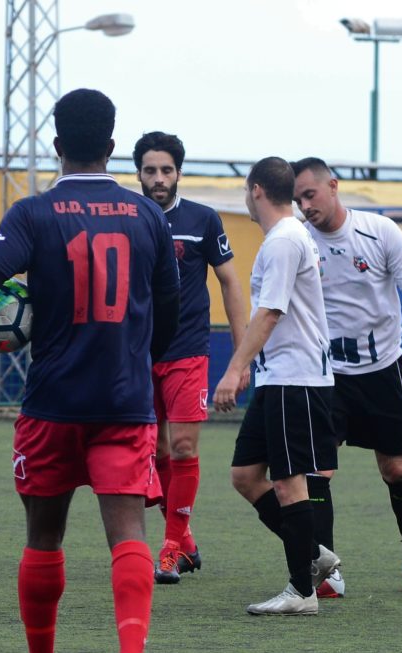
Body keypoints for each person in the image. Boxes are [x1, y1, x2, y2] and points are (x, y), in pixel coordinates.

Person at [0, 89, 180, 653]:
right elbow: (170, 313)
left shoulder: (33, 213)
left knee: (44, 536)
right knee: (128, 535)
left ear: (56, 145)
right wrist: (138, 360)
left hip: (51, 403)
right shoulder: (148, 215)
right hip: (124, 402)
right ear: (112, 146)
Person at [290, 157, 402, 597]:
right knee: (317, 471)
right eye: (298, 199)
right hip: (326, 374)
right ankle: (328, 570)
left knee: (396, 469)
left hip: (382, 370)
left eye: (310, 195)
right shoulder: (298, 240)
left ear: (333, 186)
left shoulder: (380, 231)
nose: (305, 206)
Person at [213, 157, 340, 616]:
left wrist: (234, 369)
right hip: (277, 379)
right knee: (245, 476)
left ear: (256, 191)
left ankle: (302, 592)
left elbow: (270, 313)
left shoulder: (285, 239)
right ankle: (313, 555)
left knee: (289, 484)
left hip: (295, 379)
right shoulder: (283, 238)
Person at [133, 131, 249, 585]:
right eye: (150, 171)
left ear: (178, 172)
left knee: (182, 446)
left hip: (187, 350)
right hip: (137, 352)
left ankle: (169, 549)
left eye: (166, 170)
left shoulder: (203, 219)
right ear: (139, 174)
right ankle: (184, 538)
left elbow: (230, 283)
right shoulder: (128, 217)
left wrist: (240, 357)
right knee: (153, 451)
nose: (158, 179)